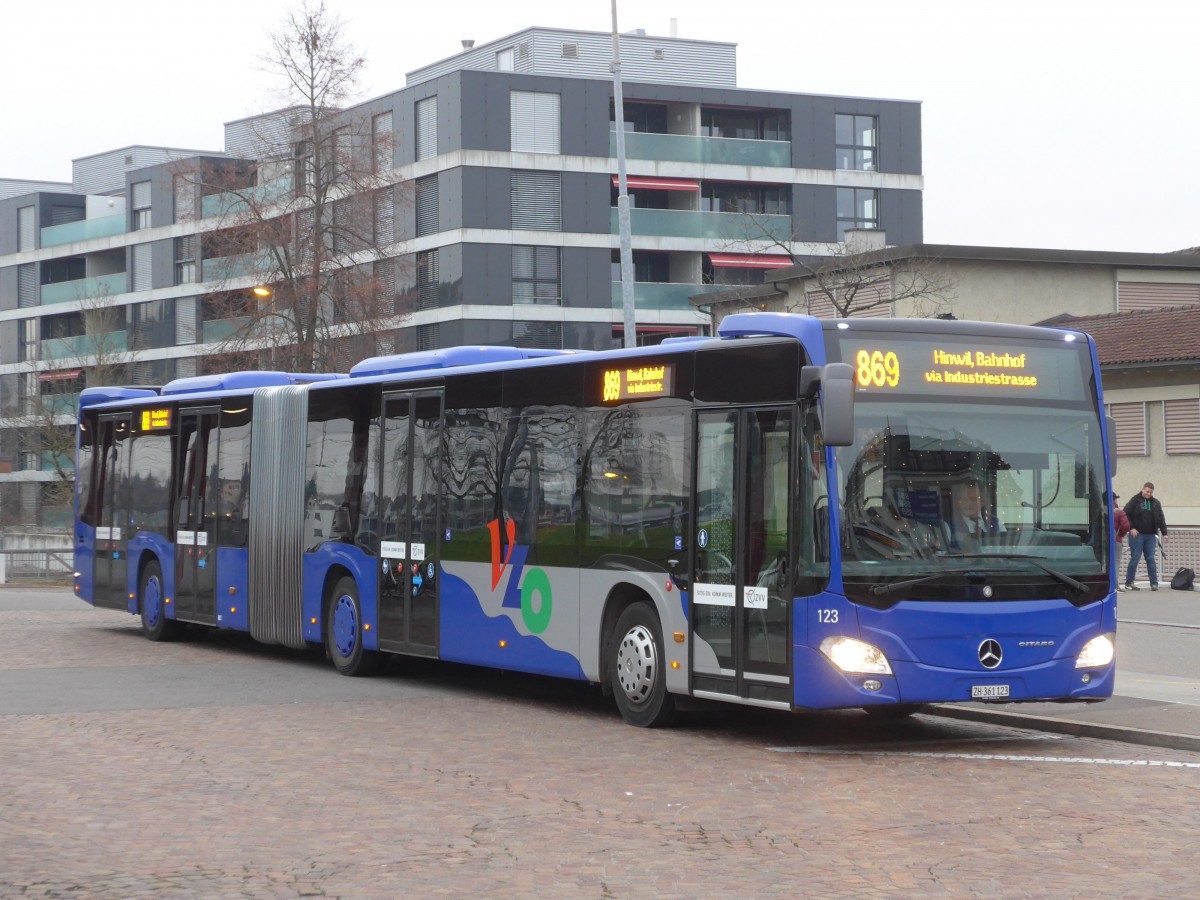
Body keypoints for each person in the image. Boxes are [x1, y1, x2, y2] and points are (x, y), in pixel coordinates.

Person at [1123, 482, 1168, 591]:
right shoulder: (1135, 500)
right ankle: (1129, 582)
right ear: (1143, 489)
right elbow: (1125, 514)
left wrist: (1165, 533)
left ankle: (1154, 583)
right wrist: (1131, 528)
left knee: (1151, 559)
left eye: (1150, 492)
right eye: (1147, 491)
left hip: (1151, 535)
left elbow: (1161, 518)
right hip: (1137, 535)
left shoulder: (1156, 503)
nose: (1148, 493)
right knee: (1135, 558)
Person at [944, 479, 1002, 551]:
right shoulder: (947, 525)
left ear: (982, 502)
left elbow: (1004, 547)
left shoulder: (996, 522)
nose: (968, 503)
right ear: (958, 501)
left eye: (973, 499)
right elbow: (944, 555)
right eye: (963, 499)